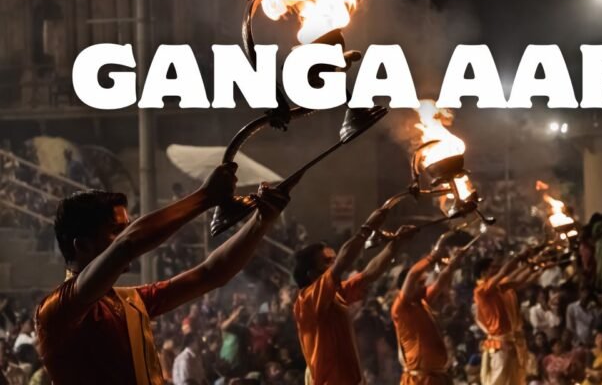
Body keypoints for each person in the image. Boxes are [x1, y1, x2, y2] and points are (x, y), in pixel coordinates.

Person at [35, 163, 289, 384]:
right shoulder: (57, 310)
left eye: (126, 228)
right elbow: (128, 245)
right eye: (116, 230)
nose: (125, 235)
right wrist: (204, 197)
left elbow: (211, 274)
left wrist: (261, 221)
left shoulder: (130, 302)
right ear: (83, 246)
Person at [292, 204, 417, 385]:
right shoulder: (307, 300)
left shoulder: (336, 293)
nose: (334, 264)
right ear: (312, 274)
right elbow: (343, 261)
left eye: (334, 260)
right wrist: (367, 227)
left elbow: (368, 274)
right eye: (328, 262)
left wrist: (396, 244)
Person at [392, 231, 470, 385]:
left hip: (437, 378)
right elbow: (412, 275)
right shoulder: (401, 308)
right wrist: (434, 253)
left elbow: (441, 280)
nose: (424, 286)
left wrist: (455, 261)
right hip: (419, 380)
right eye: (420, 284)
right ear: (405, 288)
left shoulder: (422, 302)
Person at [473, 249, 542, 385]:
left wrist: (536, 266)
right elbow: (504, 273)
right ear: (484, 273)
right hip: (500, 344)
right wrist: (519, 257)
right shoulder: (481, 291)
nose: (497, 269)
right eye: (493, 267)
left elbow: (518, 281)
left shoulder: (497, 288)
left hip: (509, 342)